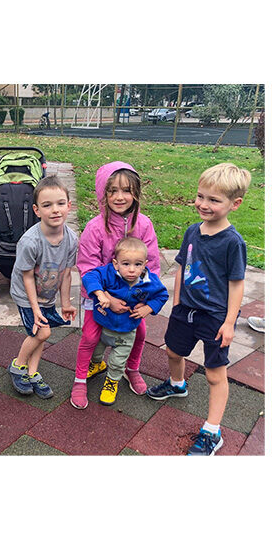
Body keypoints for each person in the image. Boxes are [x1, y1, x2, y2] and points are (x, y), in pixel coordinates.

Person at [146, 163, 250, 456]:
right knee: (173, 352)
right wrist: (177, 301)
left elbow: (237, 284)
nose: (203, 204)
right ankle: (177, 385)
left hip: (216, 317)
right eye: (201, 196)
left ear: (235, 204)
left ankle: (212, 431)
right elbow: (182, 266)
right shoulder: (192, 231)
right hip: (186, 310)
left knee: (215, 373)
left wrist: (229, 323)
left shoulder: (233, 242)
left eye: (214, 200)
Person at [73, 163, 161, 409]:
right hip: (99, 296)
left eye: (126, 190)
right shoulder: (95, 227)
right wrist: (107, 298)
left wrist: (145, 300)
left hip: (133, 298)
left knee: (140, 333)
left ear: (136, 192)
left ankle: (130, 369)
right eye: (112, 191)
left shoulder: (144, 225)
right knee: (91, 336)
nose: (119, 197)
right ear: (103, 193)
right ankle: (80, 378)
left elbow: (151, 264)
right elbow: (87, 266)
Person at [8, 176, 79, 400]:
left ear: (69, 206)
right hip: (26, 295)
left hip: (47, 294)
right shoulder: (30, 241)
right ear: (37, 210)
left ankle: (32, 372)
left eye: (60, 203)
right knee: (42, 331)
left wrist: (65, 303)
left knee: (40, 335)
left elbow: (66, 273)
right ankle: (18, 366)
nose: (55, 210)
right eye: (47, 205)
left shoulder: (71, 239)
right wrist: (34, 307)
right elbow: (26, 277)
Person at [82, 237, 169, 405]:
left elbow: (162, 295)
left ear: (144, 264)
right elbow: (90, 277)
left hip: (127, 330)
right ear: (116, 264)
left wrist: (148, 308)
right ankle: (97, 364)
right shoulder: (109, 273)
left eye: (137, 264)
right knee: (95, 351)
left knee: (117, 361)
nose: (131, 270)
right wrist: (100, 294)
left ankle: (111, 382)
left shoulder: (149, 281)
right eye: (126, 264)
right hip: (103, 325)